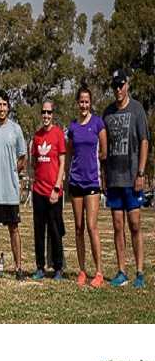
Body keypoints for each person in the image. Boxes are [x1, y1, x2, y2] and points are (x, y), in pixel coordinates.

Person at [102, 69, 150, 288]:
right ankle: (122, 271)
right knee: (118, 225)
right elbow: (103, 148)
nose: (118, 90)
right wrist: (103, 174)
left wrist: (140, 173)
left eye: (121, 85)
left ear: (127, 85)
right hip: (113, 178)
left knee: (135, 224)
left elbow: (144, 142)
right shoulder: (107, 113)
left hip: (132, 178)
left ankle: (139, 272)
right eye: (114, 86)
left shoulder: (137, 109)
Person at [0, 90, 27, 280]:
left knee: (14, 229)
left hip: (10, 191)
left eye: (4, 105)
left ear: (8, 107)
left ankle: (18, 268)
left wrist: (12, 171)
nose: (1, 108)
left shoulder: (16, 129)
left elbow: (22, 157)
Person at [66, 85, 106, 288]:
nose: (83, 105)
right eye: (81, 101)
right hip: (75, 182)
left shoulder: (98, 123)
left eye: (86, 101)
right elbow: (70, 153)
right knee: (79, 228)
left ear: (90, 103)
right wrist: (66, 177)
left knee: (92, 226)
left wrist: (100, 174)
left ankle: (99, 272)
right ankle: (82, 270)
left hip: (92, 182)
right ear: (77, 103)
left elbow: (104, 153)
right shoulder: (72, 127)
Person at [30, 100, 66, 280]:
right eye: (43, 112)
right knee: (39, 231)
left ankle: (58, 267)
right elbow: (34, 162)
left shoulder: (58, 134)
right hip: (38, 191)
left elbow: (62, 164)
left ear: (53, 114)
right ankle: (40, 267)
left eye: (49, 113)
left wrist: (57, 187)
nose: (46, 116)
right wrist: (34, 182)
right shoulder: (36, 137)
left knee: (55, 230)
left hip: (54, 192)